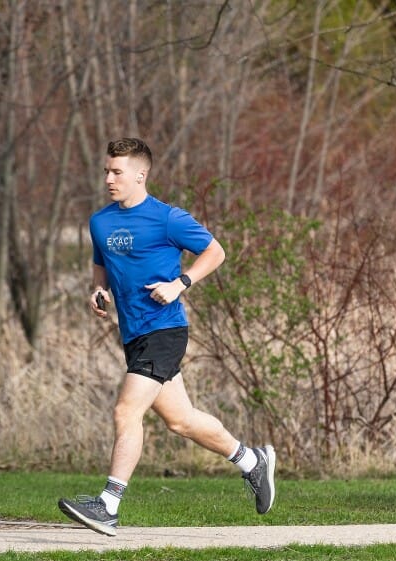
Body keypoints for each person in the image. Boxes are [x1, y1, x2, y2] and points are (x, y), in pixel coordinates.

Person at [58, 138, 276, 536]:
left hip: (166, 329)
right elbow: (101, 265)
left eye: (117, 172)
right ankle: (251, 461)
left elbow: (216, 252)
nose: (108, 178)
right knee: (181, 421)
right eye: (106, 170)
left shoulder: (168, 218)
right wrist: (98, 289)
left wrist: (181, 283)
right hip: (134, 333)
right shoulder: (100, 222)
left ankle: (108, 505)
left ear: (140, 175)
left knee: (126, 411)